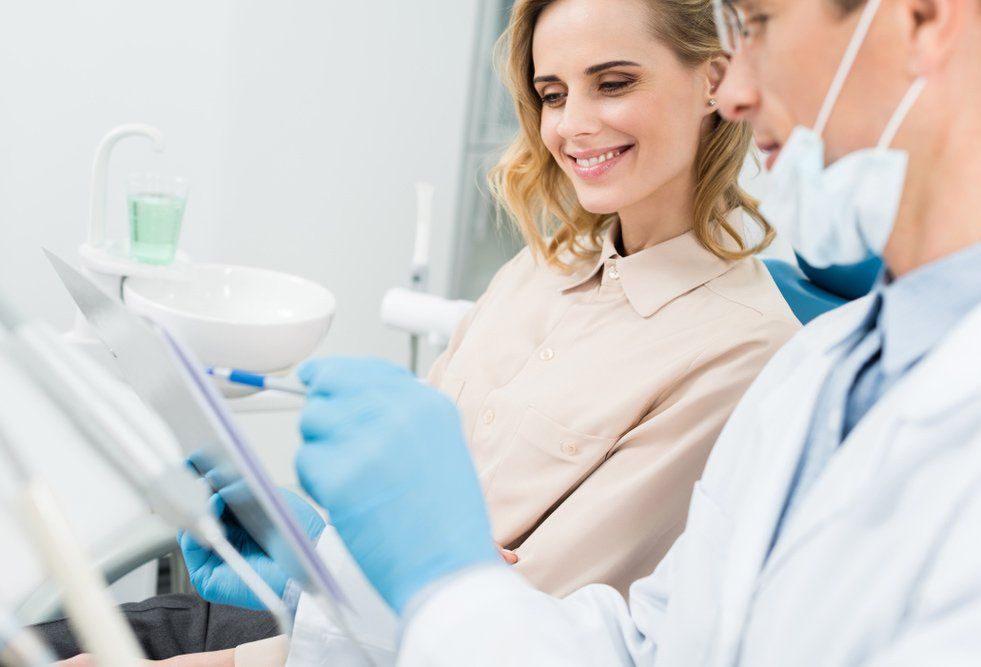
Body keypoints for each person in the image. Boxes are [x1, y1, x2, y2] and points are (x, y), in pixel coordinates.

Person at [222, 0, 981, 662]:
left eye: (758, 23)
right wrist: (335, 564)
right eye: (552, 93)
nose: (740, 90)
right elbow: (645, 644)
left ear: (925, 18)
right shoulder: (820, 374)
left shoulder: (765, 354)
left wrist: (433, 573)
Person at [45, 0, 800, 662]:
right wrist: (310, 543)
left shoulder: (742, 354)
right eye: (552, 93)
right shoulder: (541, 268)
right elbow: (408, 504)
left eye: (613, 82)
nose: (571, 125)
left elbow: (514, 626)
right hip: (320, 620)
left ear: (714, 77)